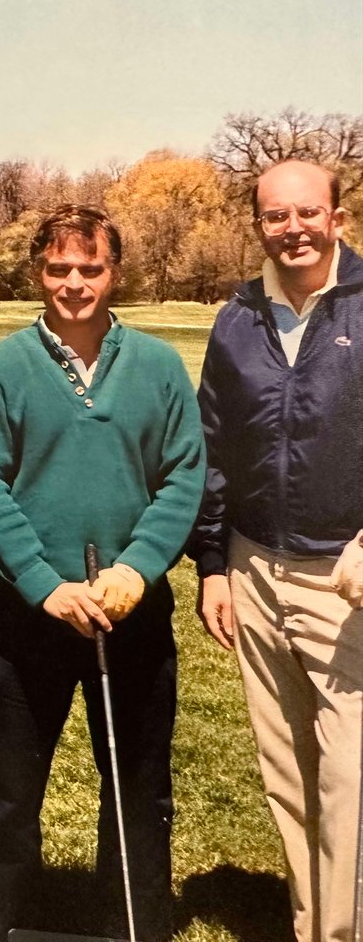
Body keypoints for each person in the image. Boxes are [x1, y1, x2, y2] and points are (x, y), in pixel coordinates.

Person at [0, 205, 204, 942]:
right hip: (25, 615)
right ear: (39, 272)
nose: (74, 282)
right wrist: (44, 584)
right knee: (10, 785)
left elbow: (185, 476)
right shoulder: (1, 368)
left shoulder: (158, 366)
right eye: (59, 268)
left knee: (138, 789)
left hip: (130, 611)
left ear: (114, 273)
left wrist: (138, 570)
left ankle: (134, 927)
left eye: (90, 268)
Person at [189, 159, 362, 942]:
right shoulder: (238, 318)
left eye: (307, 213)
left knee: (348, 781)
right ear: (257, 223)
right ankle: (310, 925)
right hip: (255, 568)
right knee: (288, 777)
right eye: (274, 216)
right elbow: (213, 447)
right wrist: (214, 564)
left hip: (345, 576)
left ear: (335, 214)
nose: (293, 229)